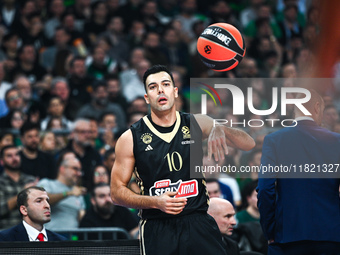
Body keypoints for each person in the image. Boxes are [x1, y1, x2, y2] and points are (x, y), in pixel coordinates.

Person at [110, 65, 255, 255]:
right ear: (147, 97)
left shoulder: (197, 123)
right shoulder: (130, 138)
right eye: (153, 87)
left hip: (198, 221)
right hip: (158, 225)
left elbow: (248, 144)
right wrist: (155, 202)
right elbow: (116, 192)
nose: (160, 90)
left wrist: (222, 128)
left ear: (175, 91)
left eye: (166, 84)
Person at [257, 89, 340, 254]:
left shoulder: (273, 140)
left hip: (286, 237)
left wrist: (270, 230)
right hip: (331, 236)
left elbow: (266, 189)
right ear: (317, 107)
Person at [0, 186, 67, 241]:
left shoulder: (60, 240)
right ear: (24, 210)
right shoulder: (5, 238)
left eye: (47, 201)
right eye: (39, 201)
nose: (47, 205)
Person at [37, 157, 87, 231]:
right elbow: (42, 201)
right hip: (51, 237)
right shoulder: (47, 183)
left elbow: (81, 218)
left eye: (80, 170)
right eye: (75, 169)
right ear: (62, 169)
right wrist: (68, 193)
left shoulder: (78, 192)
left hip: (72, 238)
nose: (79, 173)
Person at [0, 145, 37, 229]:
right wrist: (23, 192)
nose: (14, 158)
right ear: (2, 161)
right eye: (9, 156)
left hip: (31, 230)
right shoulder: (1, 182)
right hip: (6, 231)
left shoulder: (30, 179)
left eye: (17, 155)